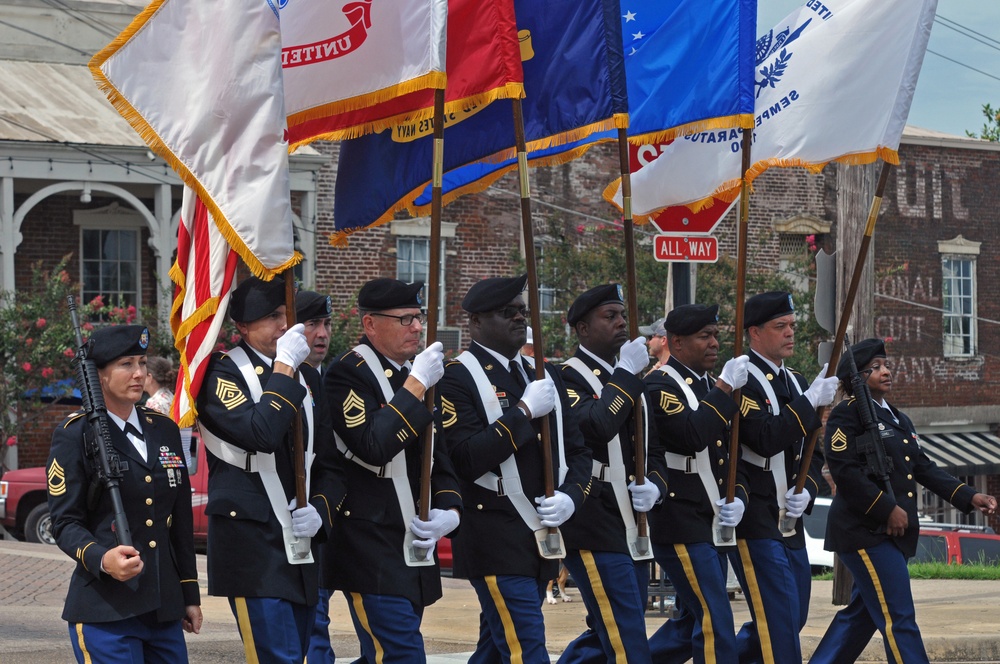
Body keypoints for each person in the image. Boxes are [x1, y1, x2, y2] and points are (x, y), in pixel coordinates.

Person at [810, 338, 997, 664]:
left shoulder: (898, 419)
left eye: (886, 365)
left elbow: (923, 468)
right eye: (876, 367)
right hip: (864, 532)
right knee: (900, 618)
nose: (886, 371)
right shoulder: (846, 416)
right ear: (857, 378)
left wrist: (969, 495)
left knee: (862, 616)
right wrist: (888, 509)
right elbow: (846, 474)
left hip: (891, 533)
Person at [438, 274, 593, 663]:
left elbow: (577, 450)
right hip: (493, 536)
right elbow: (466, 459)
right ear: (475, 322)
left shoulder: (545, 374)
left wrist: (572, 497)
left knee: (494, 648)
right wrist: (523, 412)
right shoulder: (455, 378)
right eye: (507, 312)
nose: (520, 318)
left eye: (523, 311)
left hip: (541, 537)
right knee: (527, 649)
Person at [196, 276, 345, 663]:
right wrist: (284, 367)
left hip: (302, 542)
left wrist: (322, 511)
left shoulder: (308, 376)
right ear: (242, 327)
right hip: (253, 545)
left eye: (285, 313)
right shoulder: (221, 372)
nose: (284, 324)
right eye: (271, 317)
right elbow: (260, 431)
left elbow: (329, 462)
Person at [323, 278, 462, 662]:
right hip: (369, 539)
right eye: (405, 320)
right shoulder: (347, 373)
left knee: (383, 654)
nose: (417, 327)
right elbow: (373, 445)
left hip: (411, 537)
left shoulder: (416, 374)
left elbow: (439, 455)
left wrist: (449, 511)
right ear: (370, 324)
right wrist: (417, 384)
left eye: (418, 318)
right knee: (401, 654)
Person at [47, 325, 202, 662]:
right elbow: (65, 522)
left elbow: (180, 521)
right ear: (99, 375)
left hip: (163, 607)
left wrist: (189, 593)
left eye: (142, 363)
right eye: (126, 364)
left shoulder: (164, 429)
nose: (139, 373)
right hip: (106, 608)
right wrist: (102, 558)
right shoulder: (76, 435)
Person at [556, 284, 666, 664]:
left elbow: (652, 448)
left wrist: (656, 484)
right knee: (627, 638)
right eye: (610, 316)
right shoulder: (566, 377)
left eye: (622, 315)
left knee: (613, 632)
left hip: (631, 523)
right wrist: (625, 374)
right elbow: (597, 424)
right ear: (583, 329)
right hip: (594, 519)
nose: (621, 322)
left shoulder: (630, 375)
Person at [729, 291, 839, 663]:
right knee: (778, 623)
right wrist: (809, 401)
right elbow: (763, 438)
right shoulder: (741, 380)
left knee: (792, 617)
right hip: (756, 518)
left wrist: (807, 489)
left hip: (789, 522)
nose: (790, 333)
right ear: (755, 333)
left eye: (792, 325)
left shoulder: (795, 380)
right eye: (781, 327)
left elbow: (814, 451)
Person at [643, 304, 750, 663]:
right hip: (680, 521)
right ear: (677, 341)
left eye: (716, 335)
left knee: (691, 620)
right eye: (705, 336)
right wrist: (724, 387)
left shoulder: (708, 385)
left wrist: (739, 497)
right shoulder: (658, 384)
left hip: (711, 521)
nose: (714, 343)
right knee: (714, 618)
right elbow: (691, 434)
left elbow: (732, 452)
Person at [294, 289, 338, 664]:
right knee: (315, 630)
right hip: (296, 525)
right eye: (312, 324)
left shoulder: (323, 377)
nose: (322, 333)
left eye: (325, 324)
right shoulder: (298, 375)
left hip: (329, 520)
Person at [143, 355, 194, 469]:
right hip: (179, 460)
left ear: (150, 377)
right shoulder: (171, 397)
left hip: (164, 463)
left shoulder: (154, 403)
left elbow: (152, 441)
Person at [296, 289, 334, 373]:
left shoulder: (333, 383)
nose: (322, 334)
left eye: (327, 324)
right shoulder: (278, 381)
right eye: (313, 324)